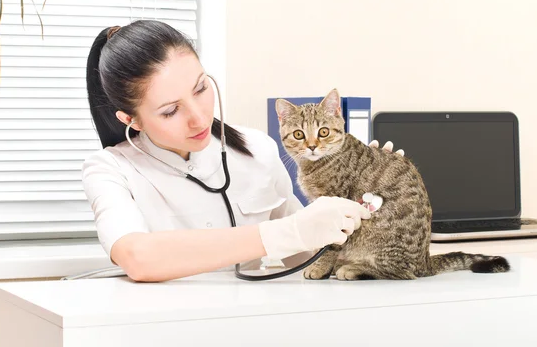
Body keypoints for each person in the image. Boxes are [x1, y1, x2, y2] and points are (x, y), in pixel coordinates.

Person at [83, 20, 403, 282]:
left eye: (201, 89)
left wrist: (366, 202)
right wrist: (278, 234)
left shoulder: (257, 150)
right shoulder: (110, 169)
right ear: (131, 119)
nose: (199, 117)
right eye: (170, 111)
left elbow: (307, 255)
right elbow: (139, 258)